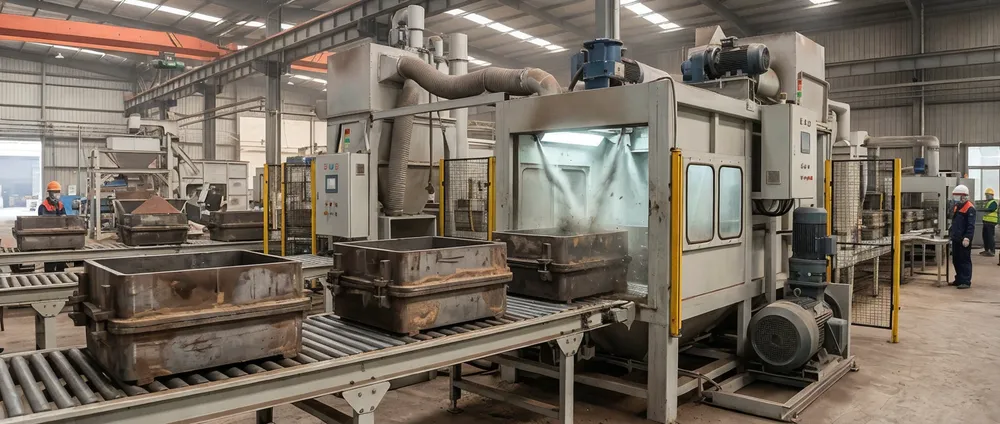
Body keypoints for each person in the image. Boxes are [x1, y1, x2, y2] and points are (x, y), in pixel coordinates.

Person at [38, 181, 68, 273]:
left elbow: (64, 219)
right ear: (50, 193)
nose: (57, 194)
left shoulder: (60, 205)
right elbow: (44, 223)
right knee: (50, 263)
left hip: (60, 238)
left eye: (58, 192)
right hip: (49, 239)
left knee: (61, 263)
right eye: (55, 192)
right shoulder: (43, 206)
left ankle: (61, 277)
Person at [950, 184, 976, 289]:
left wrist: (968, 238)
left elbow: (971, 225)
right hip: (956, 238)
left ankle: (965, 281)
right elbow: (955, 222)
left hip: (963, 239)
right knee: (956, 259)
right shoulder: (957, 207)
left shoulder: (970, 208)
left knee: (964, 260)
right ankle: (959, 279)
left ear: (963, 196)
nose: (955, 198)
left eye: (957, 196)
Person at [982, 188, 998, 257]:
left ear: (992, 195)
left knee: (990, 237)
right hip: (986, 222)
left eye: (988, 195)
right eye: (986, 195)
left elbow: (992, 209)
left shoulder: (994, 202)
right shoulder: (987, 202)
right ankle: (987, 250)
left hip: (991, 222)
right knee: (985, 236)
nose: (987, 196)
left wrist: (984, 209)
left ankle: (992, 251)